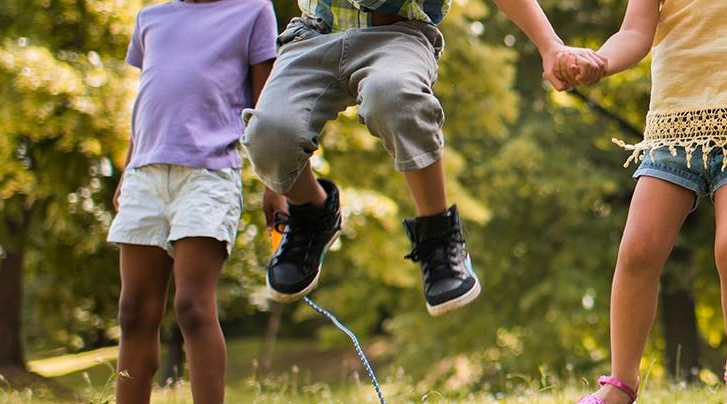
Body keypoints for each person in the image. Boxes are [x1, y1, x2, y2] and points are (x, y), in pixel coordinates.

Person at [243, 0, 588, 315]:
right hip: (314, 34)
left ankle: (439, 233)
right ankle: (313, 213)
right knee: (268, 134)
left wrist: (549, 44)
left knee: (393, 96)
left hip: (399, 35)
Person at [552, 0, 727, 404]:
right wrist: (599, 61)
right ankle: (621, 384)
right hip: (673, 129)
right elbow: (635, 33)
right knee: (638, 249)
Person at [104, 0, 280, 404]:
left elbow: (268, 110)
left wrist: (275, 182)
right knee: (134, 309)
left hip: (208, 173)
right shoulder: (152, 18)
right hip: (145, 174)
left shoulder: (253, 11)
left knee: (192, 305)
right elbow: (149, 100)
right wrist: (127, 169)